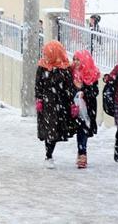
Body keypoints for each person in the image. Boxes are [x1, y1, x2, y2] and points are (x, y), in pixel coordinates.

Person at [35, 41, 76, 169]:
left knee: (55, 130)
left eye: (47, 54)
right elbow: (38, 85)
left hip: (60, 104)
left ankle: (49, 153)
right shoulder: (42, 67)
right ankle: (48, 155)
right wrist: (39, 99)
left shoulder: (65, 68)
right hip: (47, 104)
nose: (45, 56)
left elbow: (69, 87)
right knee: (49, 130)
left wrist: (71, 103)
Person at [71, 50, 100, 169]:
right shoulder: (71, 73)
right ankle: (81, 151)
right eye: (74, 59)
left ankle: (82, 153)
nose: (76, 62)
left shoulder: (91, 73)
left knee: (84, 129)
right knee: (79, 129)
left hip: (88, 108)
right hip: (75, 107)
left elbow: (95, 91)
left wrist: (84, 92)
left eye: (78, 59)